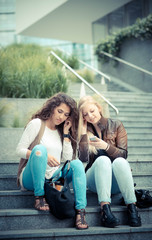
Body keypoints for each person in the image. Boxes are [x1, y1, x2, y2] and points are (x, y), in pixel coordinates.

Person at [16, 92, 88, 230]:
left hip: (52, 180)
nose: (61, 117)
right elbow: (19, 150)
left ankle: (80, 212)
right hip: (30, 178)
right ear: (52, 107)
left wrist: (66, 133)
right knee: (40, 150)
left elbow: (67, 160)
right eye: (59, 111)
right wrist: (44, 156)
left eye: (66, 114)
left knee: (77, 164)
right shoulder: (37, 124)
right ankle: (39, 197)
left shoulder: (60, 131)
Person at [77, 95, 141, 228]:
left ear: (99, 108)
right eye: (86, 114)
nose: (90, 116)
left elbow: (123, 154)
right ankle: (105, 211)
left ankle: (132, 209)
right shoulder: (83, 131)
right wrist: (83, 133)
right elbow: (82, 158)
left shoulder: (116, 125)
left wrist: (105, 146)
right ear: (83, 117)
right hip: (94, 180)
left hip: (115, 181)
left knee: (121, 162)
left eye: (92, 111)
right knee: (103, 160)